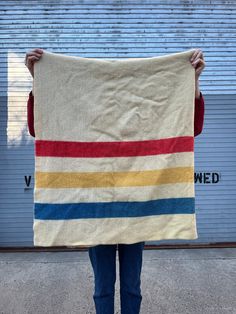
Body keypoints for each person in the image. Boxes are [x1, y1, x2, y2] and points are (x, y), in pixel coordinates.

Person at [25, 48, 205, 314]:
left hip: (135, 207)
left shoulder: (142, 110)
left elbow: (192, 127)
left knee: (132, 286)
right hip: (98, 208)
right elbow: (39, 127)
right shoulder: (86, 112)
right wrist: (38, 79)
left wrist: (194, 83)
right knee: (103, 288)